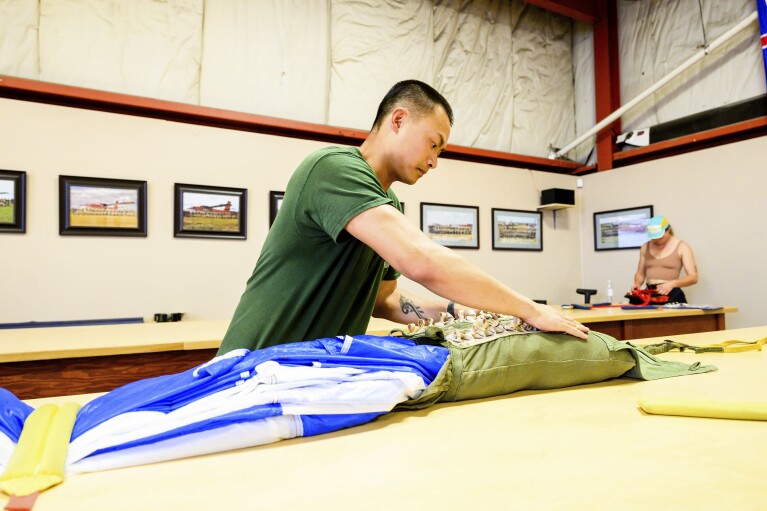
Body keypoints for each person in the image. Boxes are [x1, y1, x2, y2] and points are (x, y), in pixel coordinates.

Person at [217, 80, 588, 355]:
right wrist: (530, 309)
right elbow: (421, 260)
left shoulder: (386, 201)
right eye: (433, 144)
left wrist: (469, 312)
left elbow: (387, 301)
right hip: (254, 366)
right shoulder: (333, 169)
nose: (434, 161)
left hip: (310, 374)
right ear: (398, 120)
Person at [632, 215, 698, 303]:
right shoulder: (645, 247)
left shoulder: (682, 247)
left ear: (669, 229)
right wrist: (637, 284)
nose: (657, 239)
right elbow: (640, 273)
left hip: (672, 293)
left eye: (660, 236)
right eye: (654, 237)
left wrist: (672, 284)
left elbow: (693, 277)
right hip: (649, 293)